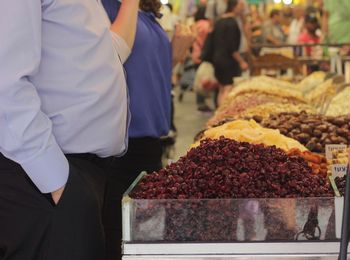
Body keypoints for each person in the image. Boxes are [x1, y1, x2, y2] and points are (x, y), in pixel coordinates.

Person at [0, 1, 140, 260]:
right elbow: (5, 81)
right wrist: (55, 179)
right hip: (41, 179)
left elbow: (89, 52)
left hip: (71, 176)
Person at [101, 1, 194, 259]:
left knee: (145, 242)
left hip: (150, 145)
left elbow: (143, 74)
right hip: (120, 149)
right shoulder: (102, 7)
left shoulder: (144, 10)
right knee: (119, 241)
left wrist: (174, 56)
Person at [211, 0, 248, 106]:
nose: (242, 9)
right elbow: (232, 47)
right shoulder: (232, 23)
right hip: (228, 61)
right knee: (227, 88)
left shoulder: (219, 21)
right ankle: (223, 114)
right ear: (234, 6)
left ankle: (218, 114)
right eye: (240, 6)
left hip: (217, 58)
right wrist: (241, 62)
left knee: (221, 88)